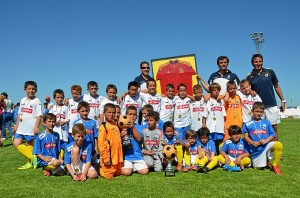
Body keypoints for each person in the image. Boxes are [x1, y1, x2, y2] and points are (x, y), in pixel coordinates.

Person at [246, 54, 285, 141]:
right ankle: (261, 151)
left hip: (271, 104)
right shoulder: (249, 76)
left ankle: (274, 152)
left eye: (260, 61)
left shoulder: (270, 72)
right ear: (252, 63)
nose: (258, 63)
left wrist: (283, 100)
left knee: (273, 127)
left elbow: (276, 86)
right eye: (256, 62)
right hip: (258, 107)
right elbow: (246, 90)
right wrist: (250, 91)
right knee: (260, 129)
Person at [242, 102, 283, 174]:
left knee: (278, 145)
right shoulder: (247, 124)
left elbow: (272, 134)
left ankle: (275, 164)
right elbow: (245, 136)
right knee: (259, 168)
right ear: (252, 112)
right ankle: (265, 160)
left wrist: (266, 140)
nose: (259, 113)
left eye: (261, 112)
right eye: (257, 111)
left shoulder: (266, 122)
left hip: (266, 145)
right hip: (256, 150)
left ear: (263, 113)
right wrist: (252, 142)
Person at [13, 81, 42, 169]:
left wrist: (36, 127)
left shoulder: (36, 101)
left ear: (36, 90)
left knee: (29, 146)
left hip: (30, 128)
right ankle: (33, 157)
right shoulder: (22, 100)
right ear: (25, 90)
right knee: (16, 143)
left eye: (33, 89)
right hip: (21, 128)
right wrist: (16, 125)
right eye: (29, 88)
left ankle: (29, 163)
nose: (31, 90)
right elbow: (19, 114)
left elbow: (39, 115)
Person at [121, 105, 149, 176]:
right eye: (130, 114)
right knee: (126, 172)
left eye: (134, 114)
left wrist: (133, 127)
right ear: (126, 115)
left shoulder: (139, 127)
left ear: (136, 116)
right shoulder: (122, 126)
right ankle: (130, 167)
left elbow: (139, 139)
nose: (132, 116)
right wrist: (122, 134)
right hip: (127, 156)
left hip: (137, 155)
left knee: (145, 171)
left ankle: (133, 167)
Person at [98, 103, 124, 178]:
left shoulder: (115, 125)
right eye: (109, 112)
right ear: (104, 113)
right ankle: (97, 167)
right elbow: (101, 144)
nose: (111, 114)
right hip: (109, 158)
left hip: (117, 157)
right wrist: (106, 158)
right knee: (108, 176)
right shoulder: (103, 127)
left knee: (118, 173)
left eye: (113, 112)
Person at [203, 83, 226, 153]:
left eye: (218, 90)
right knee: (212, 143)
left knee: (220, 143)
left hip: (220, 127)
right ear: (210, 91)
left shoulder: (221, 101)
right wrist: (203, 124)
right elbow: (205, 114)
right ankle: (213, 157)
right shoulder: (209, 101)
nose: (216, 91)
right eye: (214, 90)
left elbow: (224, 114)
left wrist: (224, 126)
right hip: (211, 127)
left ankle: (220, 158)